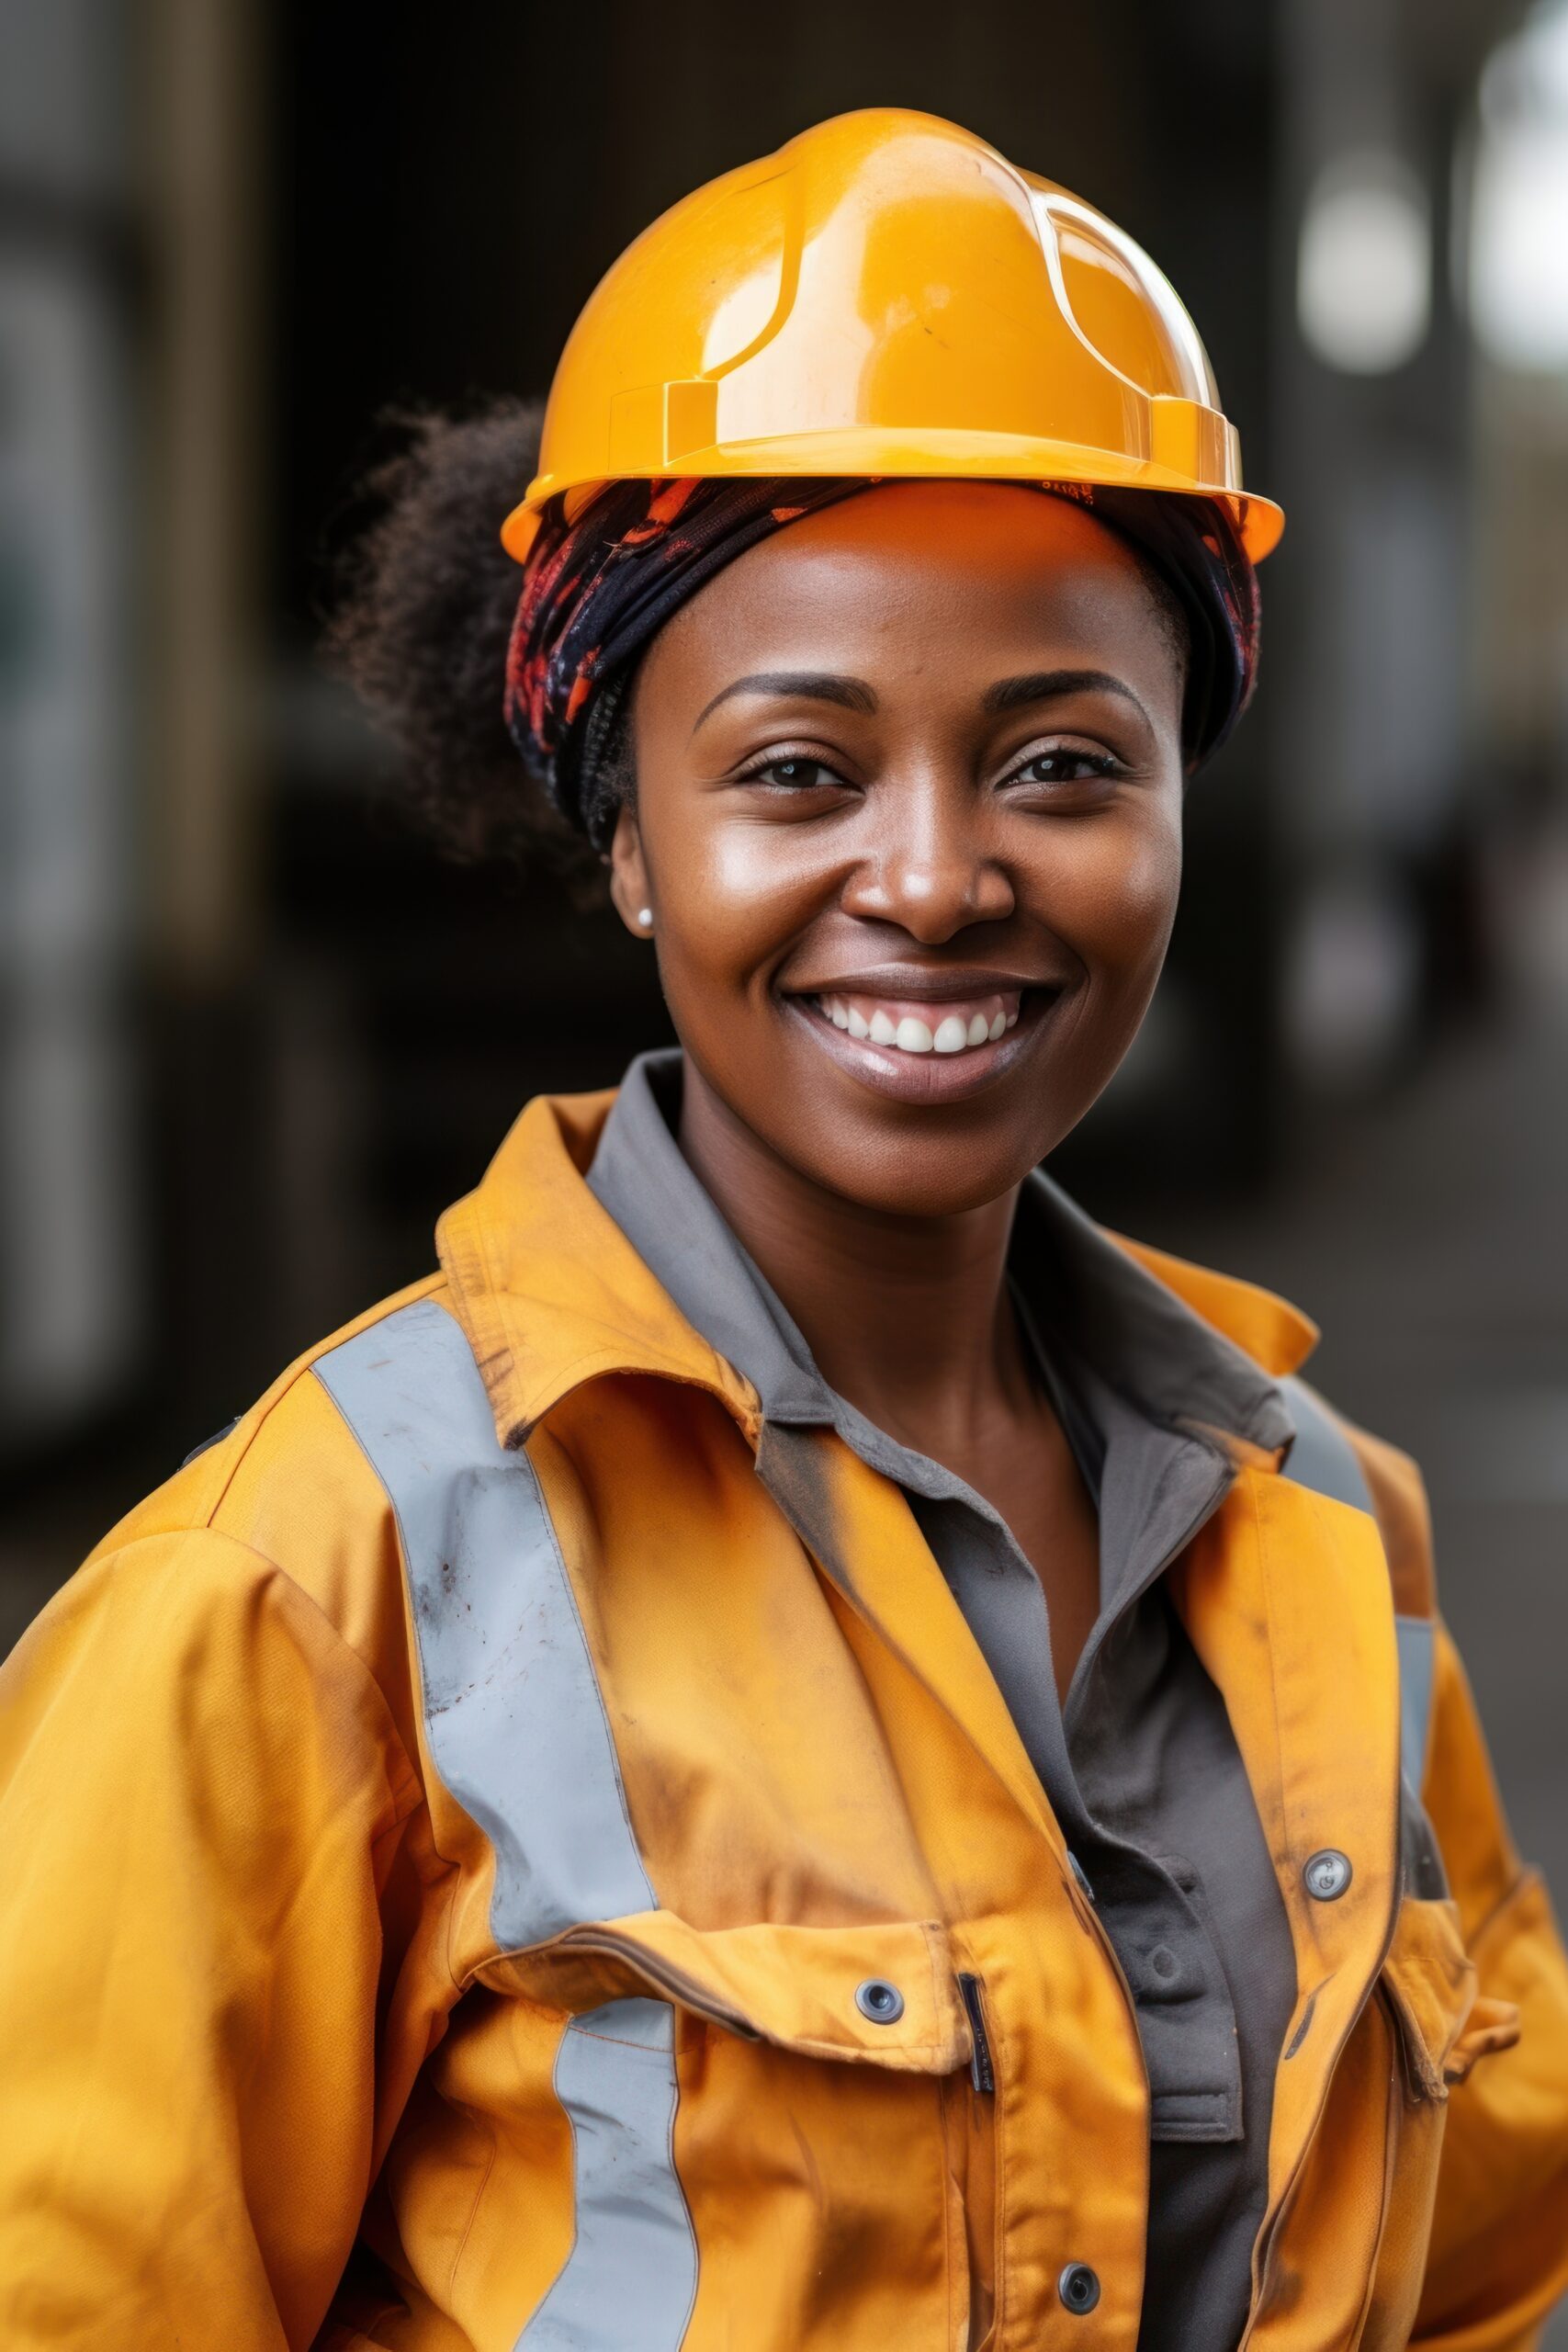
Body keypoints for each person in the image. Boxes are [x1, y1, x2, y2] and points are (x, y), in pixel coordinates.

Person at [2, 107, 1565, 2352]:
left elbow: (1480, 2270)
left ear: (1174, 810)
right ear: (626, 834)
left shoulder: (1324, 1537)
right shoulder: (301, 1601)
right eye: (795, 769)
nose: (934, 877)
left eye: (1058, 763)